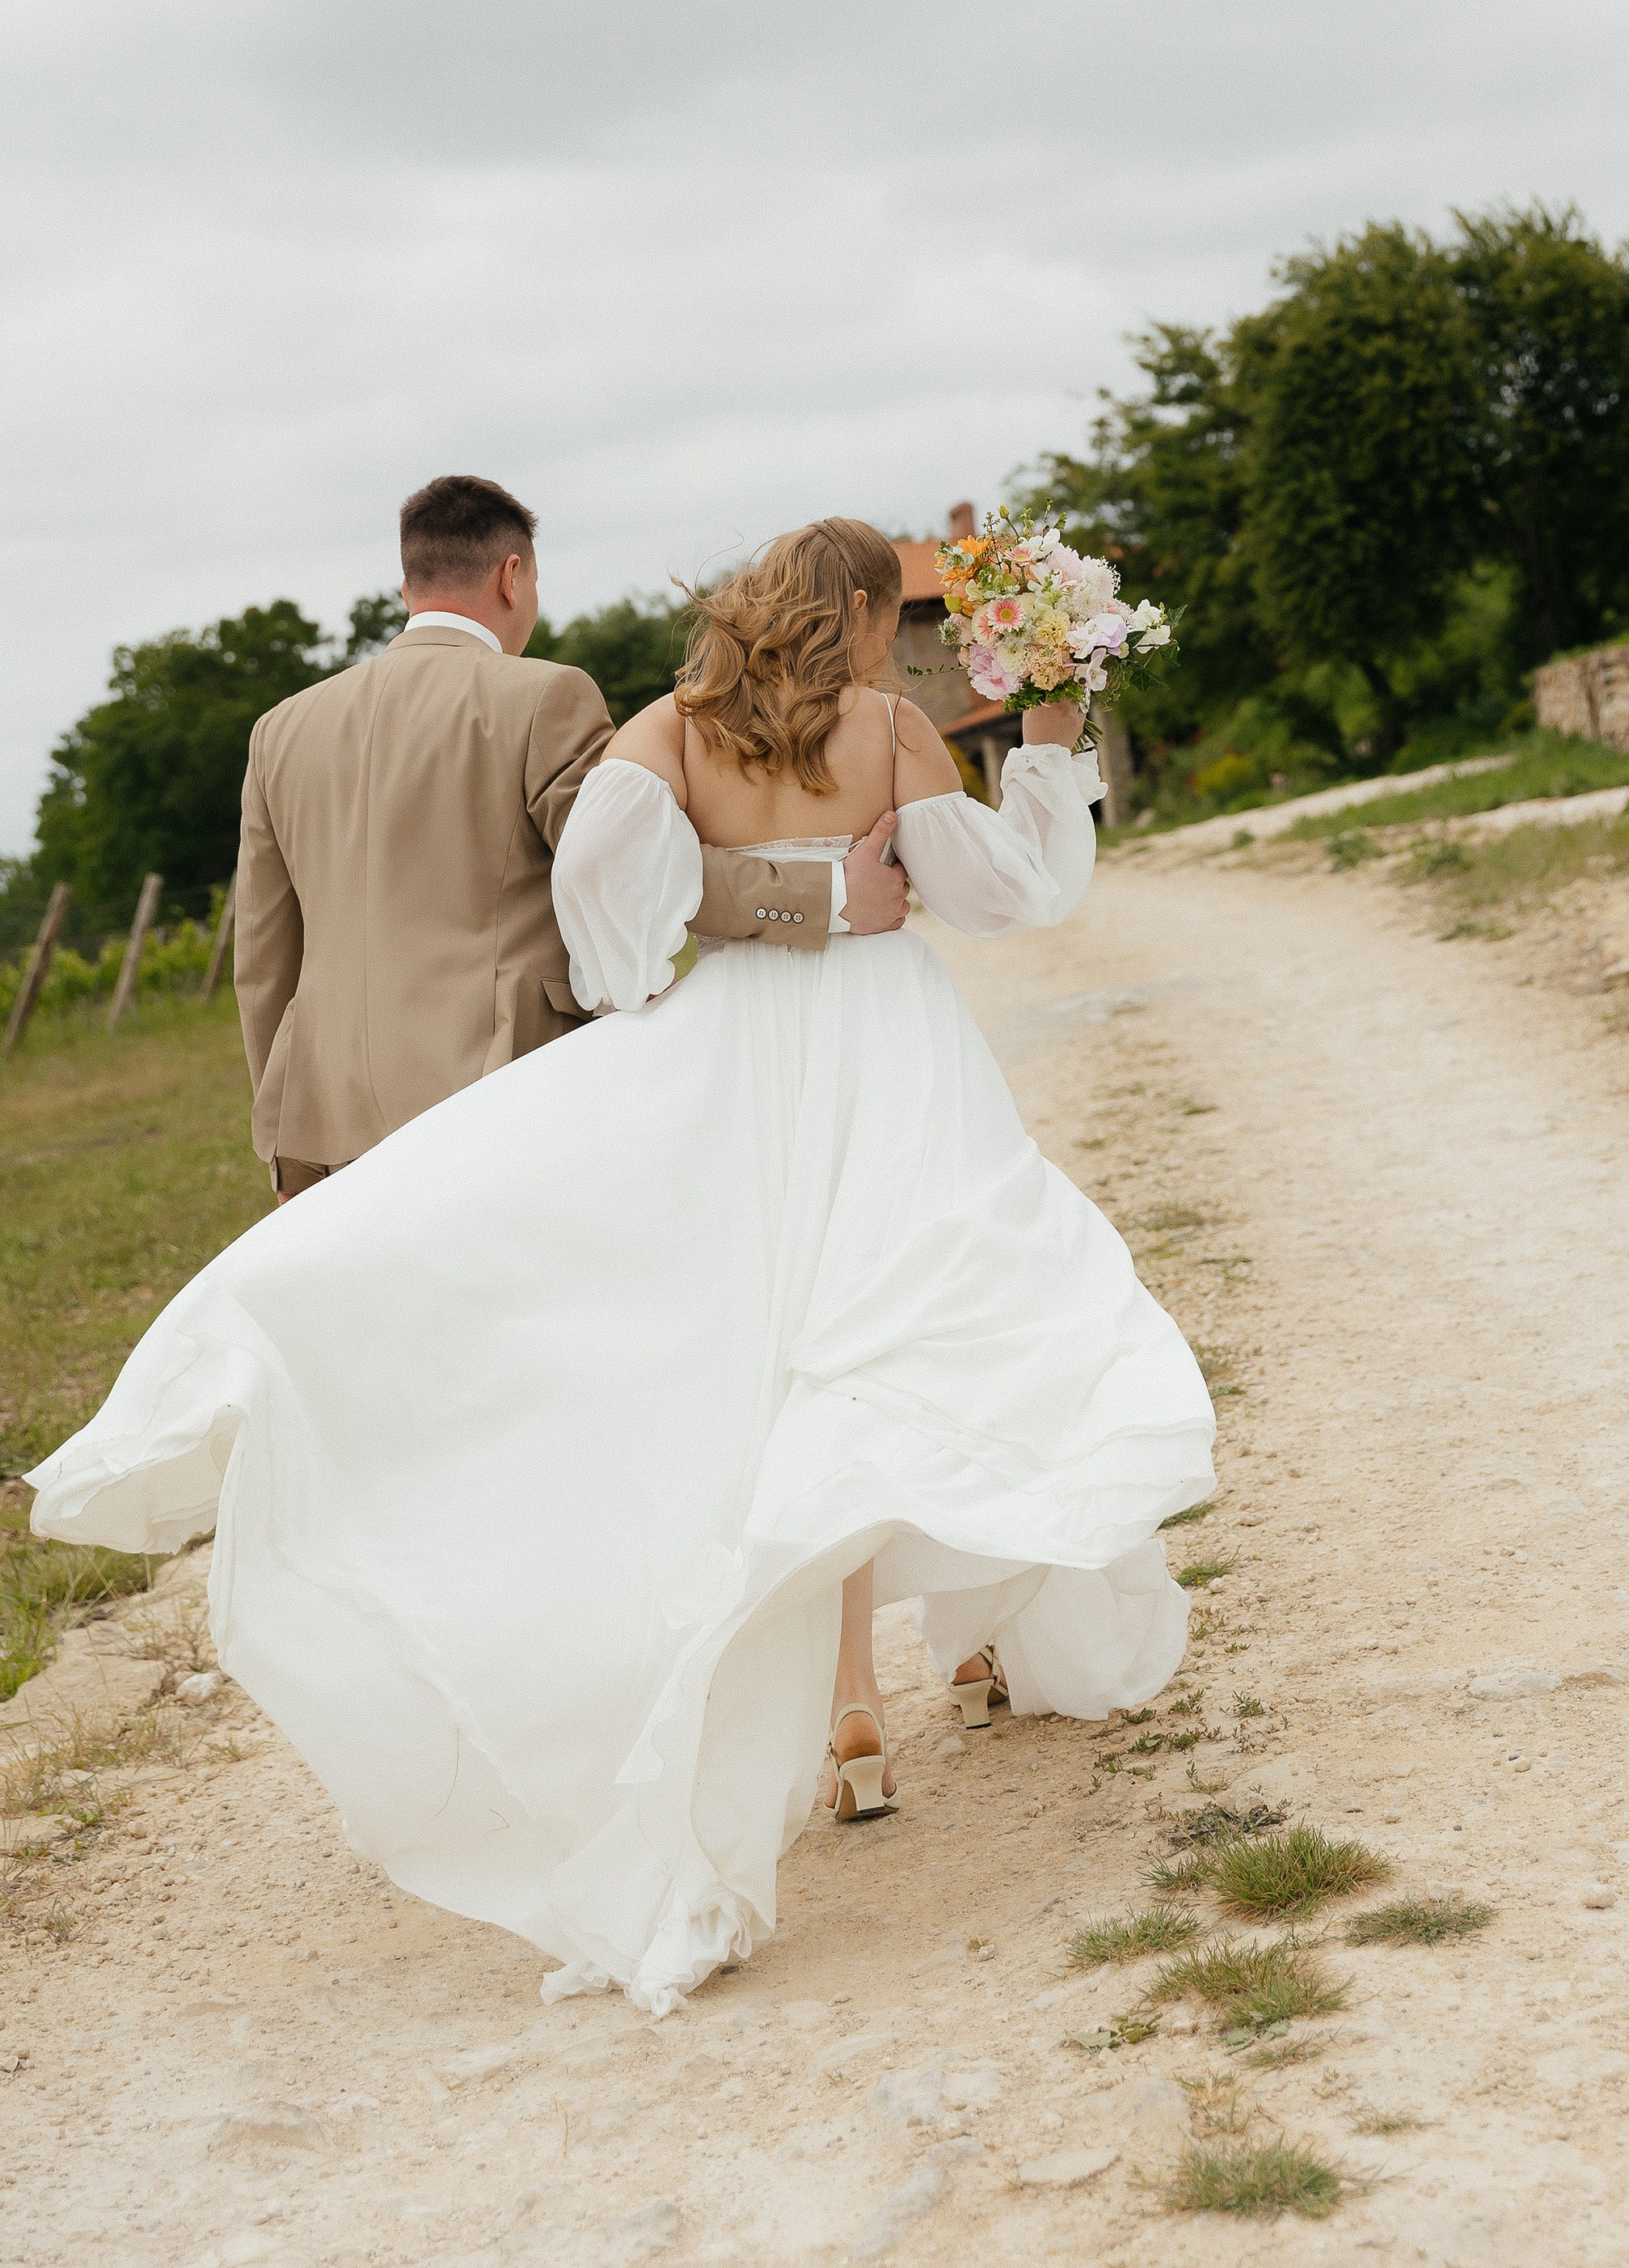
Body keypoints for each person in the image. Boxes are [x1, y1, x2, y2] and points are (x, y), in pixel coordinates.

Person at [30, 517, 1216, 2016]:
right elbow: (1017, 894)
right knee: (912, 1324)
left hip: (742, 1053)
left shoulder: (670, 729)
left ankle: (835, 1703)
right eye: (885, 620)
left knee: (768, 1353)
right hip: (888, 1048)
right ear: (862, 612)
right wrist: (1051, 741)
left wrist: (677, 960)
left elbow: (606, 914)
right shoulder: (894, 729)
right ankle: (891, 1678)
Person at [234, 473, 909, 1197]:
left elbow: (264, 959)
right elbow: (636, 869)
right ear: (512, 576)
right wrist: (830, 894)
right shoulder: (541, 698)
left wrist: (283, 1143)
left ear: (408, 588)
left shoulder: (280, 732)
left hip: (325, 1124)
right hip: (504, 1092)